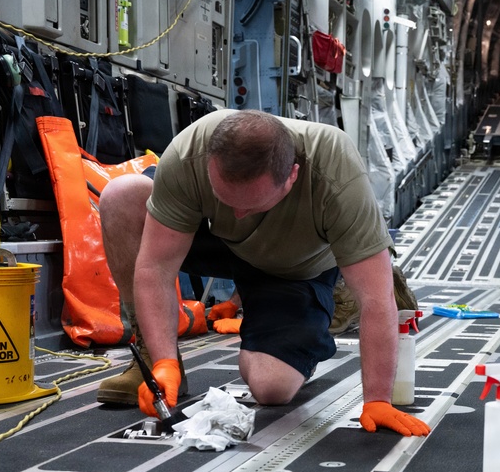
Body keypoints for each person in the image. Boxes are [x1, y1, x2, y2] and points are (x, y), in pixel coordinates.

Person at [95, 109, 430, 437]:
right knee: (122, 195)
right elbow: (155, 268)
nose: (238, 213)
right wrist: (163, 361)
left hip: (293, 267)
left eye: (252, 205)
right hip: (216, 239)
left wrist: (377, 400)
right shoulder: (190, 153)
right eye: (224, 198)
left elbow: (376, 298)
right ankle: (156, 364)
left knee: (272, 387)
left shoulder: (335, 171)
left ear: (292, 177)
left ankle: (343, 279)